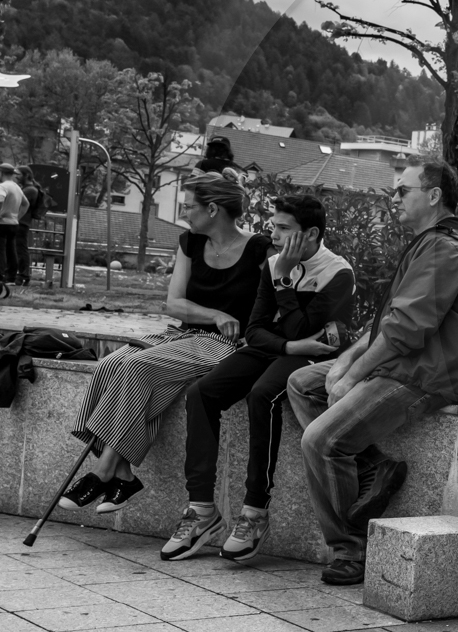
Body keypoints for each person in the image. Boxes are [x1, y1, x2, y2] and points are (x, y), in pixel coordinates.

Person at [287, 158, 458, 586]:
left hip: (426, 378)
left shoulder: (446, 249)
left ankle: (350, 548)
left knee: (321, 439)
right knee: (304, 382)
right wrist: (344, 362)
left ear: (434, 196)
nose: (394, 198)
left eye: (403, 190)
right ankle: (373, 469)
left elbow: (404, 331)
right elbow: (388, 322)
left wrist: (350, 377)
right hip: (403, 366)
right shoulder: (429, 243)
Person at [59, 171, 272, 514]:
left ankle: (102, 472)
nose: (185, 213)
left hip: (225, 345)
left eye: (190, 207)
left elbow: (275, 302)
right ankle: (124, 472)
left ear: (213, 209)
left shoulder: (260, 249)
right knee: (110, 364)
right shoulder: (191, 242)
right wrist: (216, 313)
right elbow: (173, 304)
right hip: (183, 335)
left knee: (139, 367)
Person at [164, 194, 356, 563]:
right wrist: (290, 345)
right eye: (273, 226)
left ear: (311, 233)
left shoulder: (337, 273)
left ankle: (254, 511)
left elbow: (303, 326)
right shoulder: (271, 263)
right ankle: (201, 509)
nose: (275, 234)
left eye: (284, 228)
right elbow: (255, 329)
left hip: (313, 357)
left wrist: (284, 281)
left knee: (262, 394)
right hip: (285, 349)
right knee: (201, 392)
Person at [15, 166, 45, 286]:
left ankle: (23, 274)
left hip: (21, 222)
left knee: (21, 249)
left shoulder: (30, 190)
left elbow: (15, 201)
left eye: (18, 174)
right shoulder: (28, 189)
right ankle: (21, 274)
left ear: (26, 175)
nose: (16, 177)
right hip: (20, 222)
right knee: (18, 249)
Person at [0, 163, 29, 285]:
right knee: (11, 249)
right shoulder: (17, 187)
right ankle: (11, 276)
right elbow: (25, 203)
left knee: (0, 249)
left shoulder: (3, 186)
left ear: (1, 173)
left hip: (2, 222)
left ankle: (0, 275)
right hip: (14, 223)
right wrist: (18, 216)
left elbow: (0, 200)